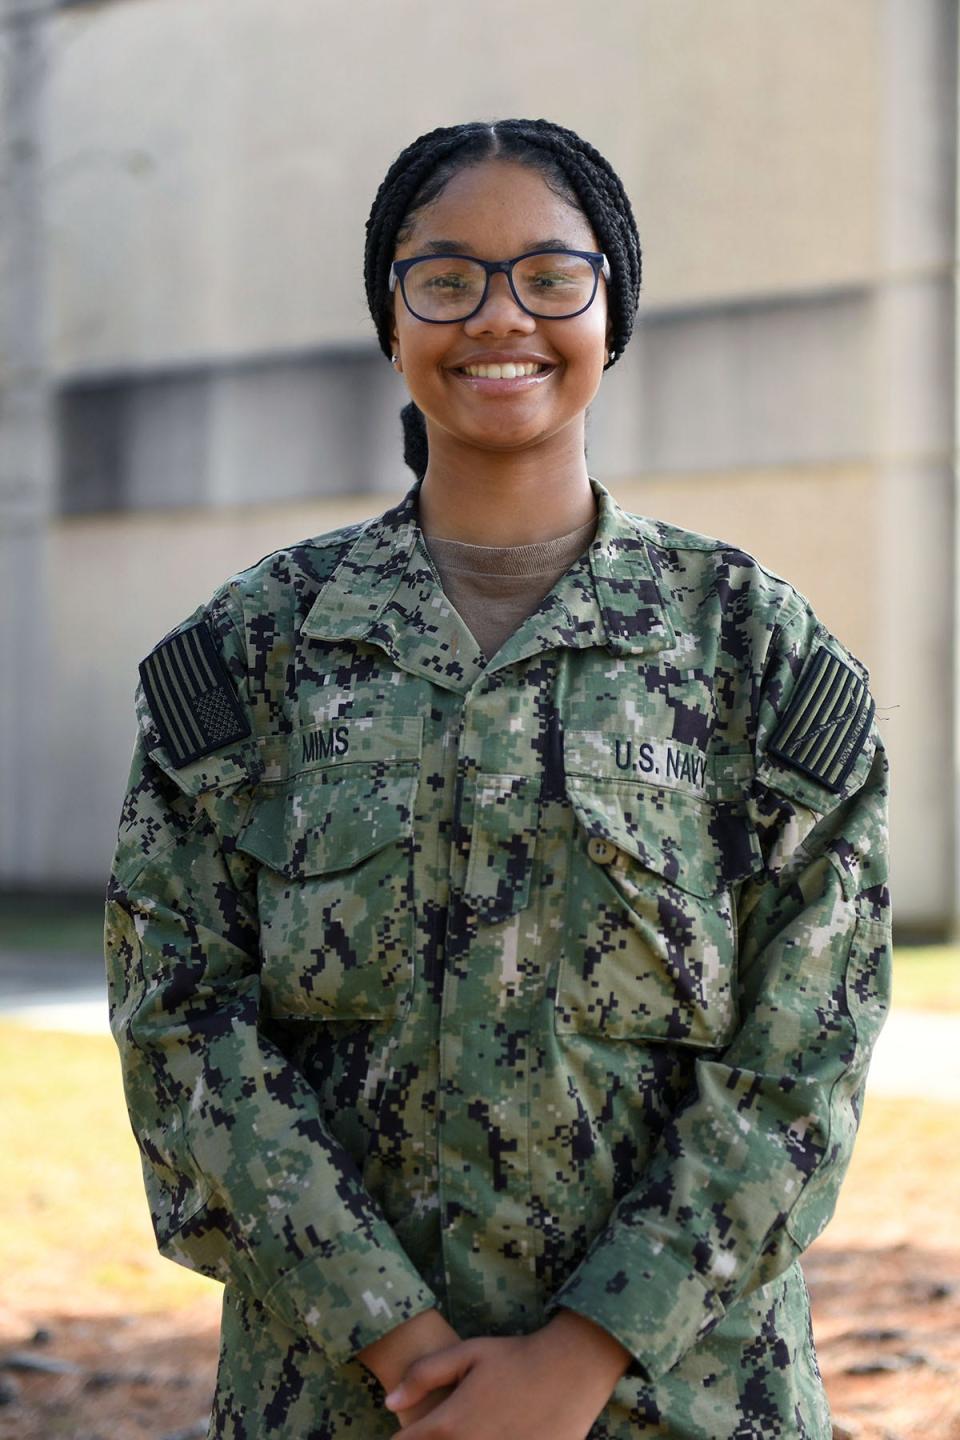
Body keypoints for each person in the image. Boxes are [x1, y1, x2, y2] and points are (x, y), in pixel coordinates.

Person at [104, 117, 892, 1440]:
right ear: (392, 319)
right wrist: (401, 1346)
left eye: (549, 274)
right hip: (343, 1404)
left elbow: (806, 1048)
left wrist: (584, 1356)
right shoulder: (249, 655)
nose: (499, 317)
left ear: (611, 307)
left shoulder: (756, 649)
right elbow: (180, 1022)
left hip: (678, 1402)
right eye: (446, 277)